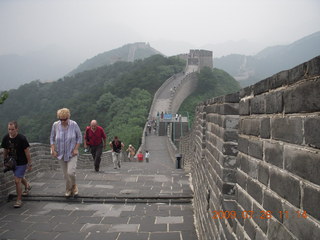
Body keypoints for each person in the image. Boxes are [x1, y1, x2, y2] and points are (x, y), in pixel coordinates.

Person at [50, 108, 82, 197]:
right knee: (65, 175)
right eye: (61, 119)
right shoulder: (55, 125)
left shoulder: (74, 124)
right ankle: (68, 189)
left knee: (70, 172)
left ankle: (74, 186)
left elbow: (79, 137)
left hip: (72, 153)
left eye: (65, 119)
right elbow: (52, 138)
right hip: (60, 153)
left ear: (68, 117)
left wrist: (76, 149)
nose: (63, 121)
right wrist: (53, 149)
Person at [1, 121, 32, 208]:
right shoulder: (6, 138)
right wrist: (5, 160)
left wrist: (30, 163)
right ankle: (27, 186)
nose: (10, 131)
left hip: (22, 162)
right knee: (19, 177)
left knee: (17, 180)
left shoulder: (22, 138)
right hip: (12, 162)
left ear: (16, 129)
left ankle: (19, 200)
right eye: (9, 129)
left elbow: (27, 152)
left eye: (12, 129)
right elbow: (5, 150)